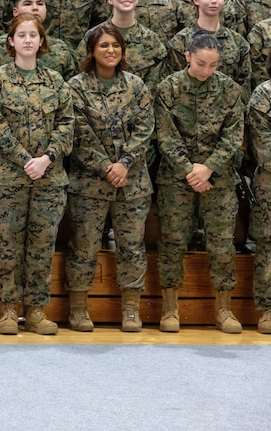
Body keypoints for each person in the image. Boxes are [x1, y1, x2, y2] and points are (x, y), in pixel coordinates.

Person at [0, 12, 73, 335]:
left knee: (42, 245)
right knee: (8, 244)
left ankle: (35, 310)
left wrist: (46, 158)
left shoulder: (55, 82)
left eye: (34, 35)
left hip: (49, 178)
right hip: (8, 178)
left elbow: (67, 125)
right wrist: (25, 159)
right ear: (11, 41)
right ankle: (8, 310)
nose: (28, 41)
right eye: (22, 35)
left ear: (42, 41)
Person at [65, 25, 154, 333]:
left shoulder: (136, 85)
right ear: (91, 51)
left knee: (132, 247)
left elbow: (145, 129)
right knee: (84, 248)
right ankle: (78, 309)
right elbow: (77, 132)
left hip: (132, 183)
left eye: (116, 45)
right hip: (89, 184)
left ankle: (130, 310)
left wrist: (125, 163)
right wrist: (106, 166)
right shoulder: (75, 87)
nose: (111, 50)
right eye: (104, 45)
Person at [156, 31, 245, 333]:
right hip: (176, 179)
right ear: (187, 57)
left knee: (222, 245)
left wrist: (208, 168)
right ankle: (170, 308)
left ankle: (224, 309)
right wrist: (189, 170)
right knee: (172, 241)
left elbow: (233, 136)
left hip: (217, 180)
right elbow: (165, 136)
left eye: (213, 65)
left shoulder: (230, 90)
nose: (206, 71)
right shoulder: (168, 89)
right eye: (201, 64)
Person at [166, 0, 251, 93]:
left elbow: (244, 87)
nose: (214, 0)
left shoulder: (238, 42)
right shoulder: (181, 41)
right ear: (196, 0)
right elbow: (171, 84)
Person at [246, 55, 271, 333]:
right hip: (270, 180)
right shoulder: (264, 94)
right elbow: (263, 145)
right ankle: (268, 309)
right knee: (269, 245)